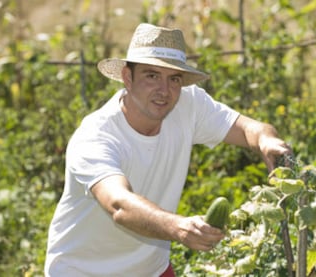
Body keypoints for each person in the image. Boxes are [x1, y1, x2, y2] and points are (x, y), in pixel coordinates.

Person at [44, 23, 292, 277]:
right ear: (127, 78)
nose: (164, 91)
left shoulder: (188, 103)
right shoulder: (97, 136)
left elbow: (250, 128)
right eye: (152, 76)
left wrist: (266, 141)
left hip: (151, 270)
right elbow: (118, 204)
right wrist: (178, 227)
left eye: (173, 79)